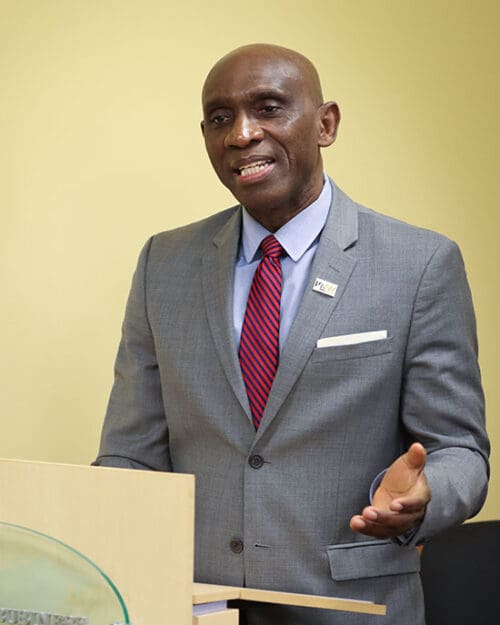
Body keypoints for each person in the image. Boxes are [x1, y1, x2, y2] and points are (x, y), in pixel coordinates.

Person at [93, 44, 490, 624]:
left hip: (352, 607)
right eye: (220, 118)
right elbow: (131, 454)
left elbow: (461, 451)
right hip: (195, 607)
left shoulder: (420, 264)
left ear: (326, 124)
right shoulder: (164, 263)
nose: (242, 134)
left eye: (269, 108)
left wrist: (420, 495)